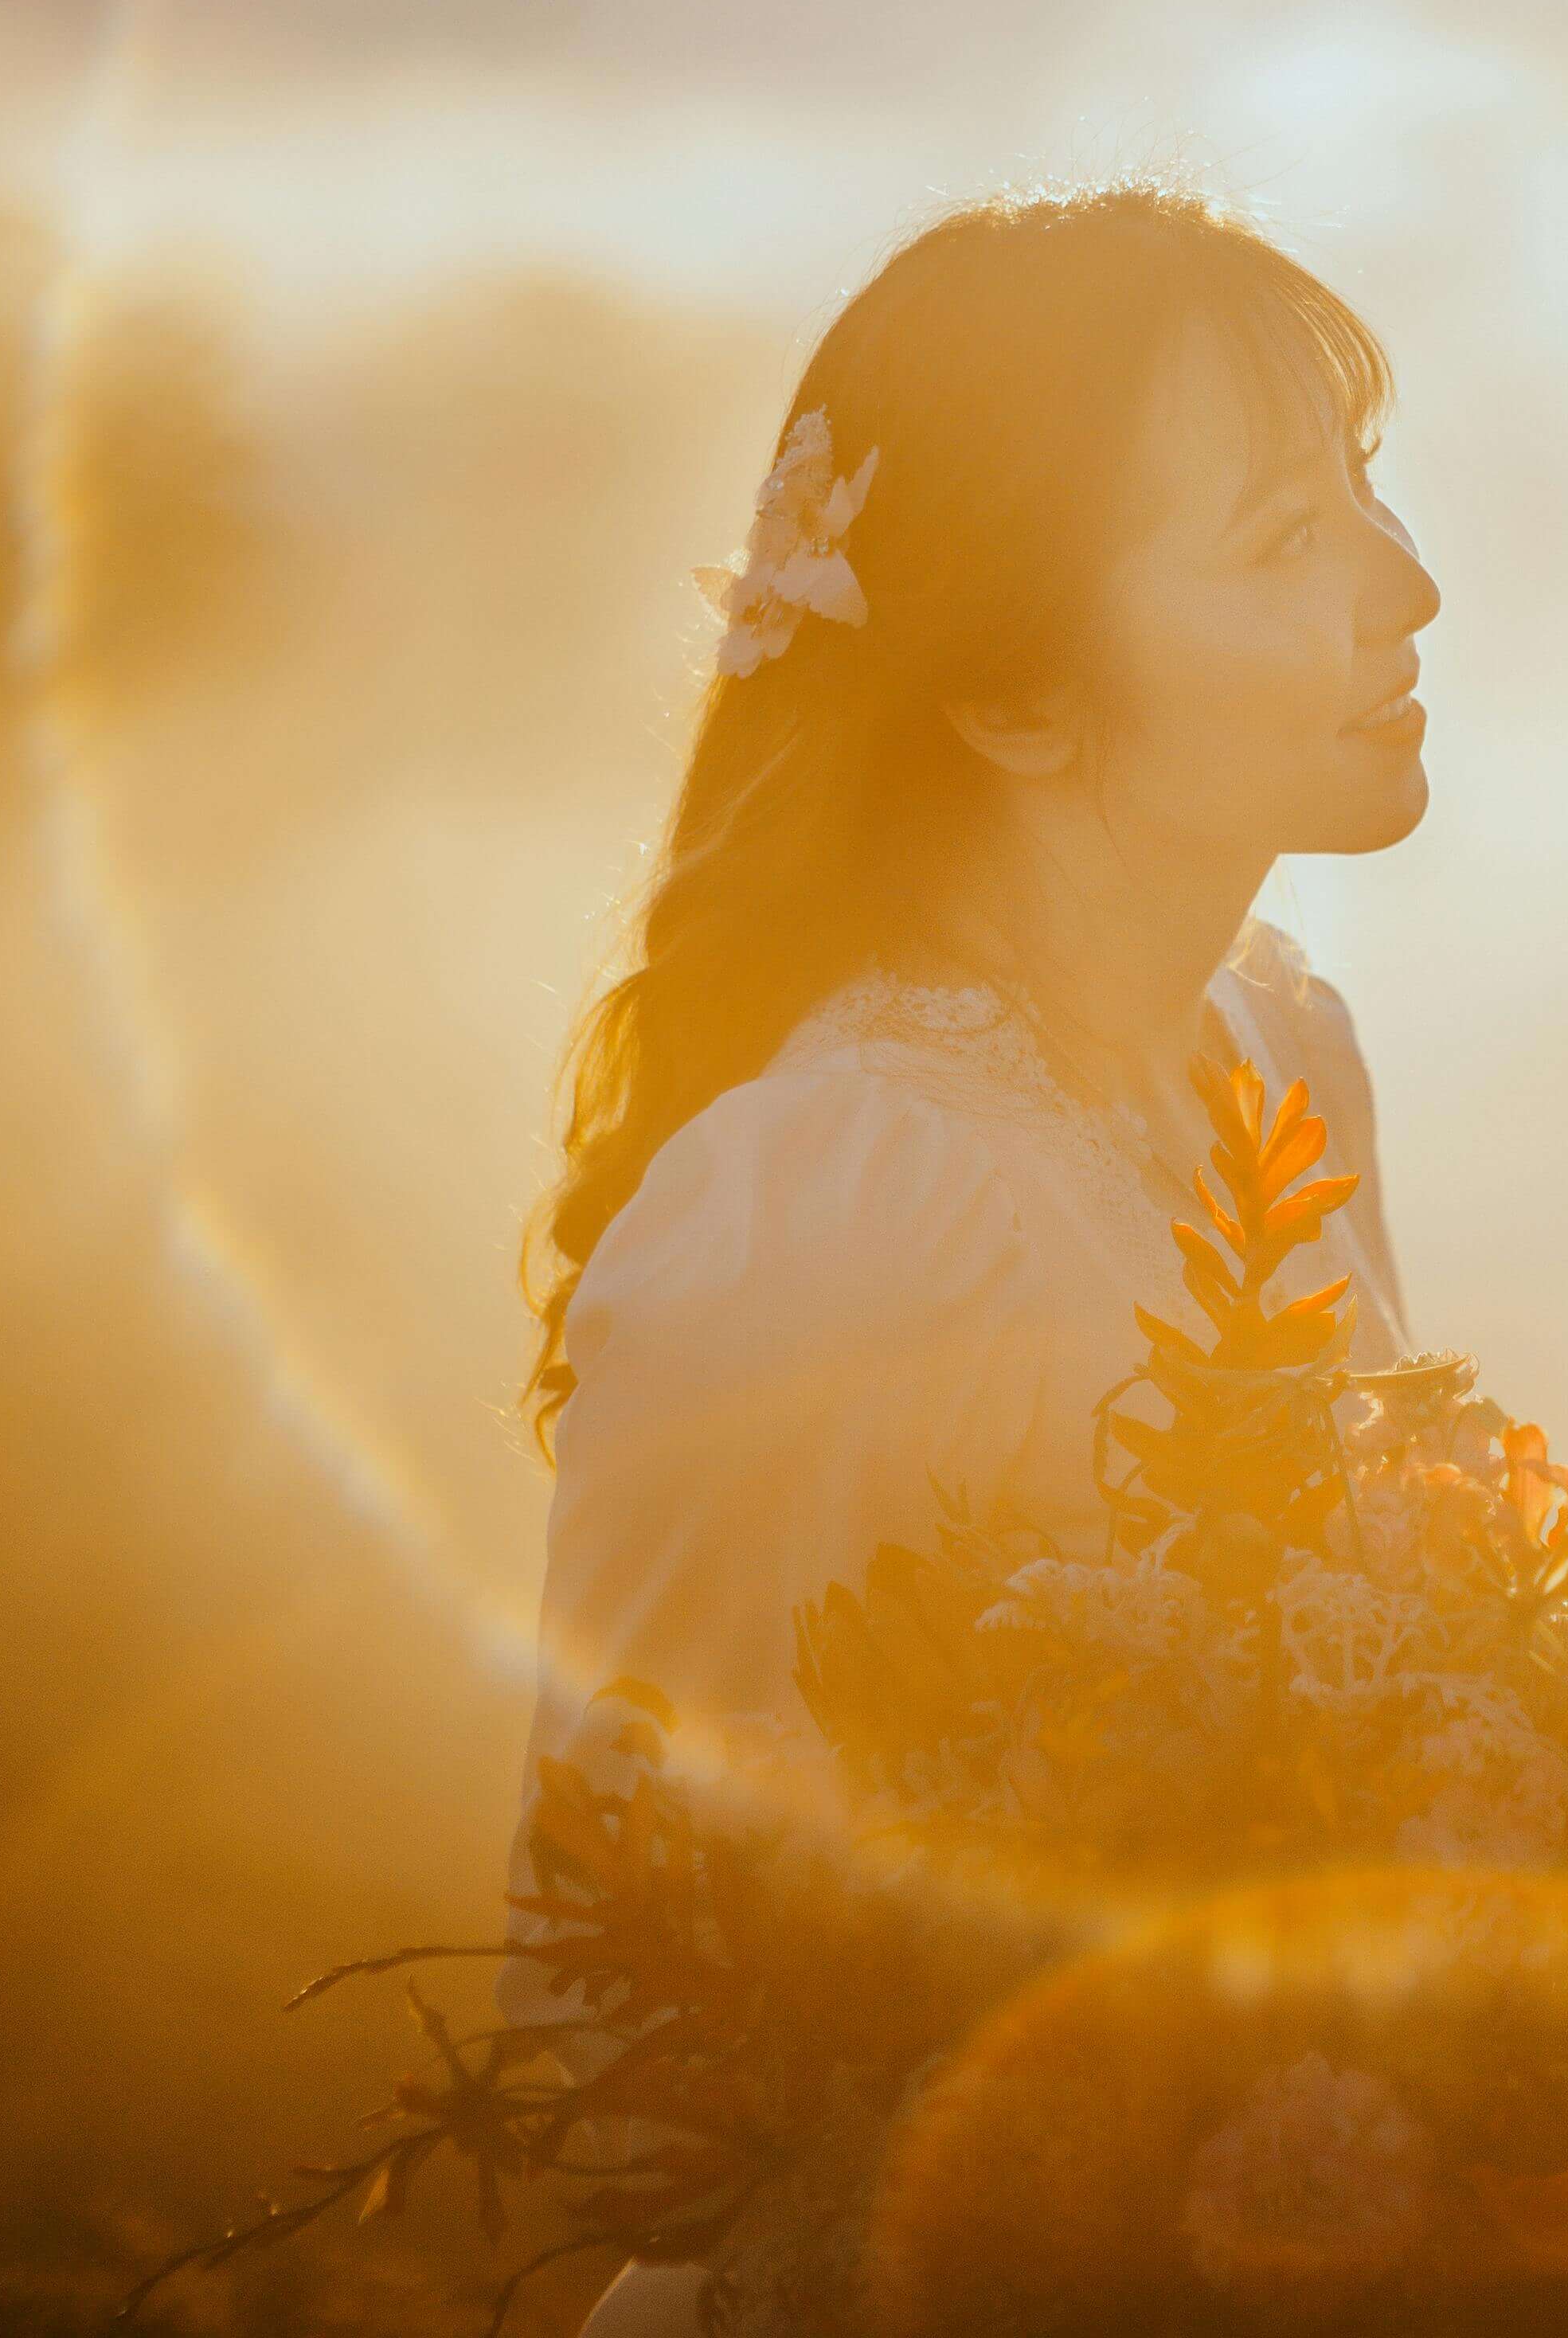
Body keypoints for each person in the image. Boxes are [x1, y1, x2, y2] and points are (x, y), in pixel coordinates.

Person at [513, 184, 1442, 2338]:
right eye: (1282, 538)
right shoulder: (832, 1215)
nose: (1407, 583)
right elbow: (617, 2066)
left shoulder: (1278, 1049)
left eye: (1369, 496)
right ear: (1019, 700)